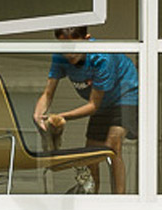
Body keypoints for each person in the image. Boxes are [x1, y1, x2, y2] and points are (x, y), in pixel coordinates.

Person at [35, 31, 137, 192]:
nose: (69, 53)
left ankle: (119, 199)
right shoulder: (60, 57)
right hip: (103, 101)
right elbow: (48, 93)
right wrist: (38, 114)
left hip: (124, 95)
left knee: (112, 146)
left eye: (74, 46)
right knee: (91, 154)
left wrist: (61, 116)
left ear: (87, 39)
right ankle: (92, 197)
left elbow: (93, 106)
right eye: (64, 47)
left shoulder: (101, 57)